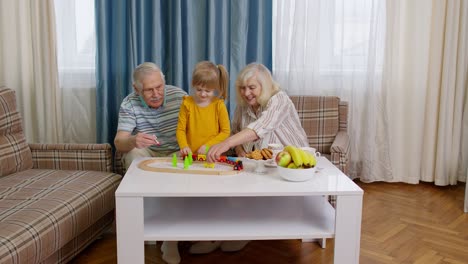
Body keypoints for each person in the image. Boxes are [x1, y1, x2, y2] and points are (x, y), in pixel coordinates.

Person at [190, 63, 309, 254]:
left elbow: (259, 128)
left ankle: (241, 233)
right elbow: (237, 130)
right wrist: (239, 151)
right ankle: (216, 235)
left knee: (244, 193)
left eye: (252, 87)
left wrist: (226, 144)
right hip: (254, 164)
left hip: (288, 165)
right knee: (219, 188)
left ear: (265, 85)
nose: (246, 93)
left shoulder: (280, 99)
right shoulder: (243, 106)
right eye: (243, 88)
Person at [114, 62, 187, 264]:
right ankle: (147, 224)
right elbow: (119, 142)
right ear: (137, 89)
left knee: (187, 163)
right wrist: (133, 140)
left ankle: (170, 241)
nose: (156, 93)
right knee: (131, 152)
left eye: (159, 87)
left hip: (176, 152)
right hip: (148, 153)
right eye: (148, 90)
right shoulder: (129, 103)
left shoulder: (179, 96)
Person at [176, 61, 231, 157]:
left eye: (207, 91)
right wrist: (184, 146)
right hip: (190, 155)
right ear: (193, 85)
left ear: (215, 88)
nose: (203, 94)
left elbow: (225, 132)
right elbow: (180, 129)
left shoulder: (219, 105)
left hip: (213, 155)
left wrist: (208, 146)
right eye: (199, 89)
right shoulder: (187, 103)